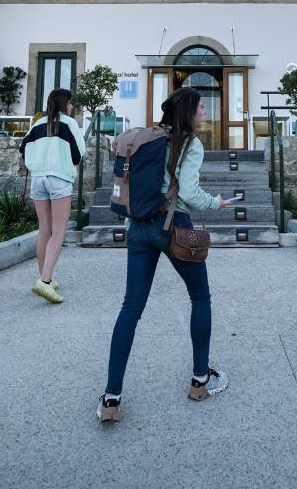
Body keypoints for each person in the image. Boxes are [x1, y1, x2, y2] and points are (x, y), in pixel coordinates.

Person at [97, 87, 232, 423]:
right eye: (201, 108)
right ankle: (200, 381)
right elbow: (187, 192)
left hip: (138, 226)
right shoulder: (191, 143)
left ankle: (111, 399)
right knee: (201, 298)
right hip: (174, 226)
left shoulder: (151, 138)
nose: (205, 113)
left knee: (131, 307)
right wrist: (214, 203)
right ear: (188, 112)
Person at [18, 88, 83, 303]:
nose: (72, 107)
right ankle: (45, 282)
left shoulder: (37, 123)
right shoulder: (69, 124)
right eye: (71, 103)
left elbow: (23, 147)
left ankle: (45, 277)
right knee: (59, 231)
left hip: (38, 178)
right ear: (66, 104)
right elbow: (78, 155)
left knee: (44, 229)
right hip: (59, 178)